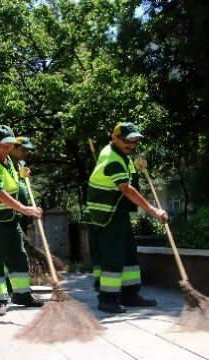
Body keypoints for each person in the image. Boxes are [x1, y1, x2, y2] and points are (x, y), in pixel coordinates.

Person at [86, 122, 168, 313]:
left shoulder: (121, 155)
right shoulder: (112, 158)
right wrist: (154, 211)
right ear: (114, 138)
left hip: (117, 213)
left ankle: (129, 294)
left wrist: (137, 168)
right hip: (106, 215)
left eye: (134, 140)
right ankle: (107, 299)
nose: (131, 144)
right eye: (127, 140)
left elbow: (128, 177)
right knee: (113, 256)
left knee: (129, 254)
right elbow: (126, 188)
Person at [0, 124, 45, 316]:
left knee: (18, 257)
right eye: (3, 144)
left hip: (10, 221)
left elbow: (12, 186)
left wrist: (21, 178)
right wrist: (24, 208)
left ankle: (22, 295)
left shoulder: (7, 162)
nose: (8, 148)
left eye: (10, 144)